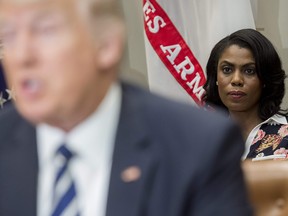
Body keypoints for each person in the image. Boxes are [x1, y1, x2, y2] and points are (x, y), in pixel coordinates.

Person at [0, 0, 252, 215]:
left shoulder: (199, 147)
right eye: (7, 36)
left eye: (45, 31)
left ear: (107, 46)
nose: (21, 56)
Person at [203, 28, 288, 159]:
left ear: (265, 79)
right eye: (227, 69)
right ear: (216, 78)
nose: (236, 80)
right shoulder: (201, 139)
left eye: (249, 71)